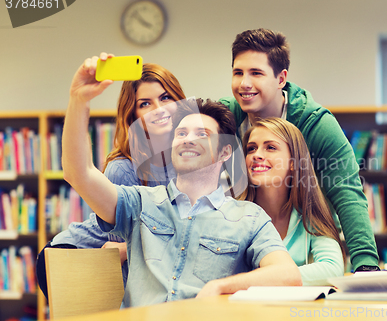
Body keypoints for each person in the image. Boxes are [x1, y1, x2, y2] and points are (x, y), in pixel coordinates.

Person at [61, 53, 302, 307]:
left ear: (224, 151)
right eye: (182, 133)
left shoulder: (249, 217)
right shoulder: (138, 203)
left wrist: (220, 287)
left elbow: (288, 276)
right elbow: (78, 173)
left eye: (202, 133)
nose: (188, 139)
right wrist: (79, 100)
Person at [219, 28, 379, 272]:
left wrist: (366, 265)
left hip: (303, 238)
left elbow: (346, 193)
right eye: (238, 72)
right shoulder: (225, 118)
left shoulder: (317, 124)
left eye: (256, 73)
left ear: (281, 79)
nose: (244, 84)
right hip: (246, 233)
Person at [36, 61, 187, 299]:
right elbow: (119, 252)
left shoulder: (188, 161)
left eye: (166, 97)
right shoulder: (123, 169)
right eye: (145, 103)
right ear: (133, 114)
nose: (158, 109)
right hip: (77, 256)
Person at [240, 118, 345, 285]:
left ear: (293, 162)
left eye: (270, 147)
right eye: (251, 148)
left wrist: (258, 280)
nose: (257, 155)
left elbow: (332, 269)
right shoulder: (232, 213)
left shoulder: (310, 214)